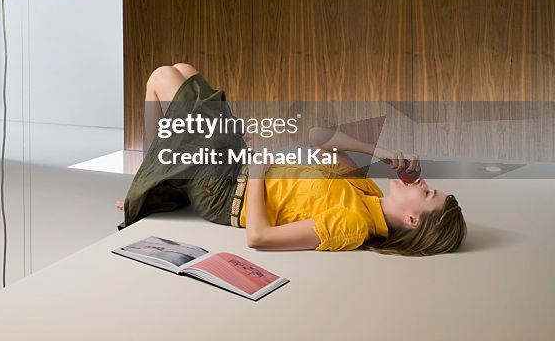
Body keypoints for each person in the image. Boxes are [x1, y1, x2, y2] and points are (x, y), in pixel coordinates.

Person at [119, 63, 467, 256]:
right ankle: (156, 180)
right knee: (183, 70)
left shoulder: (354, 225)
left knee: (161, 78)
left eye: (426, 193)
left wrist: (258, 172)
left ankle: (150, 184)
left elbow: (259, 237)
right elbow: (319, 137)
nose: (421, 183)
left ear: (412, 220)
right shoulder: (369, 193)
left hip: (225, 193)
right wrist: (381, 153)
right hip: (240, 162)